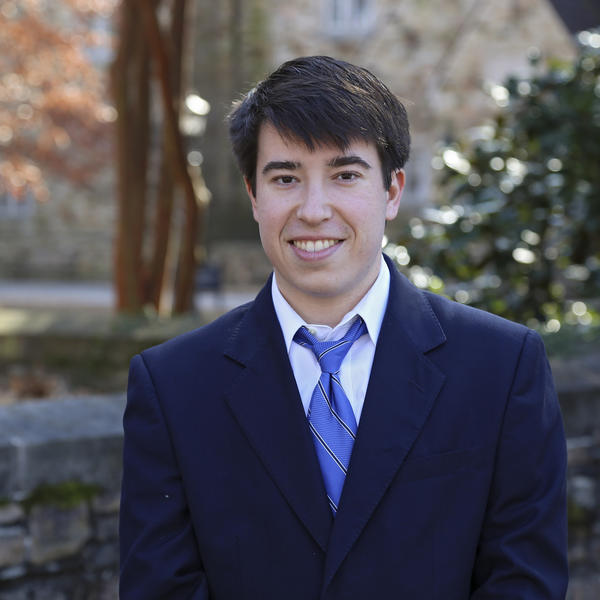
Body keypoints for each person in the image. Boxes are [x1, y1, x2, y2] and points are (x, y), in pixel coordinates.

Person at [119, 56, 568, 599]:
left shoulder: (502, 366)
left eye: (345, 175)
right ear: (254, 196)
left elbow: (524, 581)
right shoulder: (172, 385)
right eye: (286, 178)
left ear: (393, 191)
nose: (313, 210)